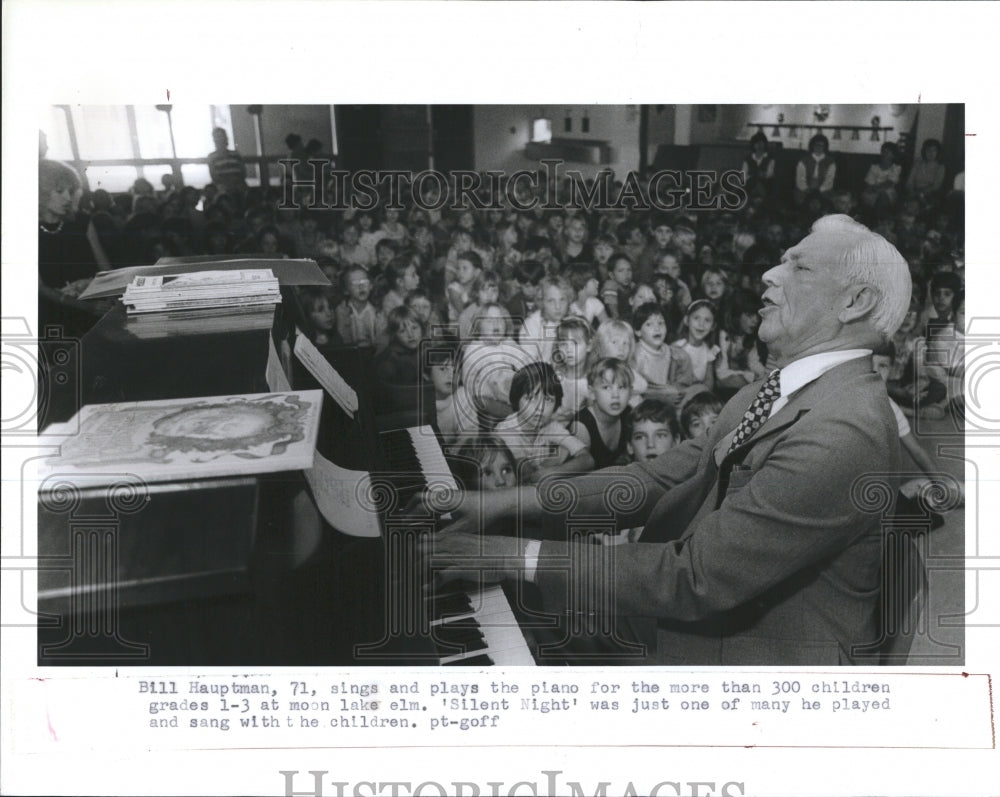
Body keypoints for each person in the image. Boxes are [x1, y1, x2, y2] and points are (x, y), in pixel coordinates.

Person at [425, 213, 912, 666]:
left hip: (749, 665)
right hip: (703, 617)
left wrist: (513, 555)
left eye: (798, 266)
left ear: (855, 302)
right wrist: (507, 503)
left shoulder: (843, 429)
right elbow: (656, 479)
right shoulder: (779, 387)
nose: (768, 274)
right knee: (531, 602)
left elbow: (693, 578)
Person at [38, 159, 112, 338]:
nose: (68, 198)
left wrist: (111, 296)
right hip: (56, 313)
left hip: (96, 303)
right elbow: (40, 288)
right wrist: (85, 306)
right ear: (40, 193)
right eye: (60, 191)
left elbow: (105, 268)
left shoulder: (82, 221)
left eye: (71, 191)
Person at [570, 357, 634, 469]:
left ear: (631, 392)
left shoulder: (628, 414)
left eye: (621, 387)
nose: (615, 395)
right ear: (591, 393)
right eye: (606, 387)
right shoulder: (582, 426)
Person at [794, 133, 837, 206]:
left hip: (824, 189)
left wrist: (820, 190)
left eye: (822, 145)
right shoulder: (803, 161)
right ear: (812, 146)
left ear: (825, 147)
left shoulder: (830, 162)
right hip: (805, 188)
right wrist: (806, 189)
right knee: (802, 202)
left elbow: (829, 179)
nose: (819, 147)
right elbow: (800, 179)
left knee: (825, 202)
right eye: (817, 145)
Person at [207, 127, 247, 202]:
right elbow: (214, 176)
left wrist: (235, 182)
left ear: (226, 138)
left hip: (238, 184)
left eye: (222, 137)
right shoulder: (212, 157)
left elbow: (243, 172)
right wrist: (227, 183)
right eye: (217, 137)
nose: (220, 140)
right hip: (222, 185)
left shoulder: (236, 154)